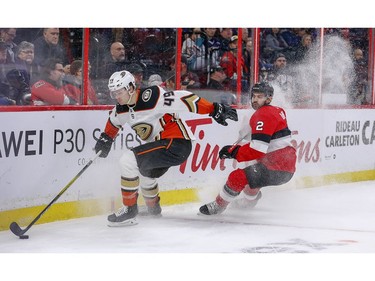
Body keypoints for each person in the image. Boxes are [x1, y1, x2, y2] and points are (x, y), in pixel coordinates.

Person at [94, 70, 238, 226]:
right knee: (145, 172)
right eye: (113, 93)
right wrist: (106, 138)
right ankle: (153, 209)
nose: (116, 96)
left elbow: (184, 98)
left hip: (177, 143)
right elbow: (114, 122)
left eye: (119, 92)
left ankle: (129, 210)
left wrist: (213, 109)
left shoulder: (152, 97)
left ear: (130, 88)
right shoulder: (121, 109)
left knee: (128, 160)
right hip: (165, 147)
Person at [199, 82, 296, 215]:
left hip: (276, 167)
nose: (255, 100)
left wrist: (233, 152)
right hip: (285, 167)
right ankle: (250, 201)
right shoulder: (277, 110)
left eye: (260, 96)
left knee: (236, 177)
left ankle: (218, 206)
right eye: (254, 96)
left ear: (269, 98)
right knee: (251, 177)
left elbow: (257, 149)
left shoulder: (263, 115)